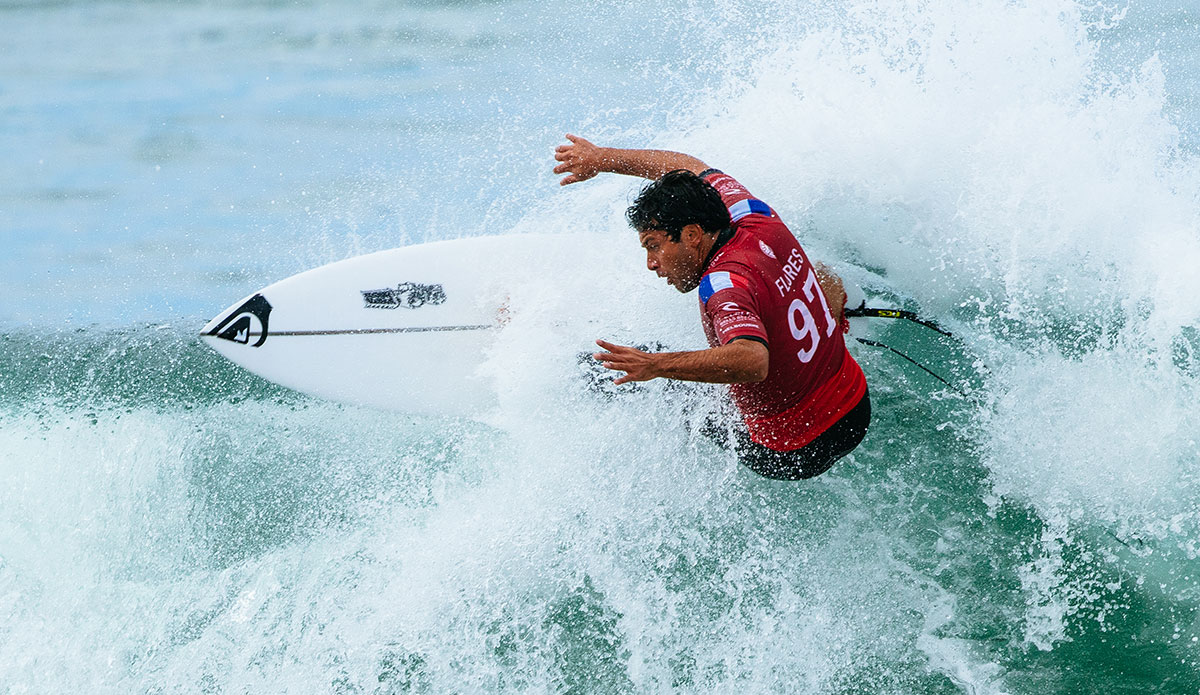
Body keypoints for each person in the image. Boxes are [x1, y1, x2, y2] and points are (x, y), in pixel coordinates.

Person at [553, 134, 870, 480]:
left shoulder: (724, 285)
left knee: (665, 382)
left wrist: (655, 365)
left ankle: (582, 375)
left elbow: (751, 361)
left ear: (691, 235)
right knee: (816, 270)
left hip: (795, 451)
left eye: (654, 245)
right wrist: (602, 159)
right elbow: (688, 168)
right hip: (856, 409)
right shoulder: (754, 215)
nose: (651, 263)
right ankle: (830, 319)